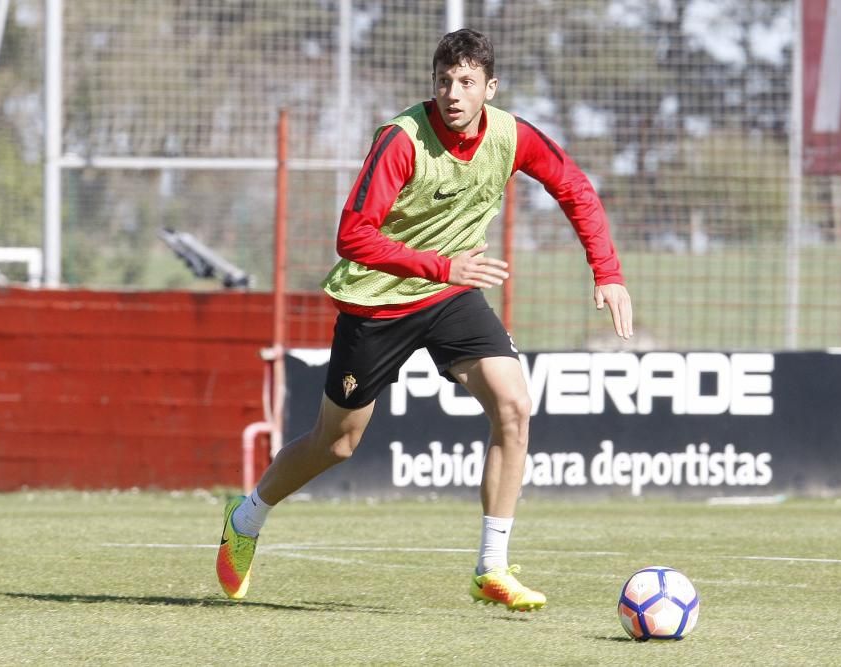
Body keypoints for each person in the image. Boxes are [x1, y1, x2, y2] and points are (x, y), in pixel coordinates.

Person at [217, 28, 633, 612]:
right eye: (443, 80)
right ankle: (247, 515)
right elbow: (351, 236)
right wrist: (440, 266)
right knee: (336, 445)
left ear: (490, 87)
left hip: (450, 295)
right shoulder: (401, 138)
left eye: (466, 82)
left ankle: (491, 567)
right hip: (377, 302)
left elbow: (575, 189)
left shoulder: (512, 135)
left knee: (514, 405)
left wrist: (607, 273)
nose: (453, 93)